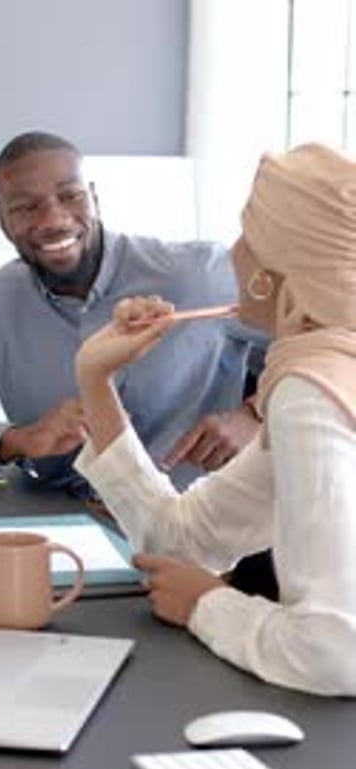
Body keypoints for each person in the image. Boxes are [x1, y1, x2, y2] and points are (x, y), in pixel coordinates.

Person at [74, 143, 356, 696]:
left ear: (278, 277)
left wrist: (207, 604)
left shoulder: (311, 390)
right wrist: (94, 381)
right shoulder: (318, 375)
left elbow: (335, 650)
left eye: (249, 236)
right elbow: (180, 541)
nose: (236, 251)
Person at [0, 131, 266, 495]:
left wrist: (255, 417)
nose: (53, 219)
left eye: (69, 196)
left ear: (93, 197)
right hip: (70, 524)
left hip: (197, 528)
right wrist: (18, 439)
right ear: (3, 223)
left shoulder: (197, 277)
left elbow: (318, 345)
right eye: (26, 207)